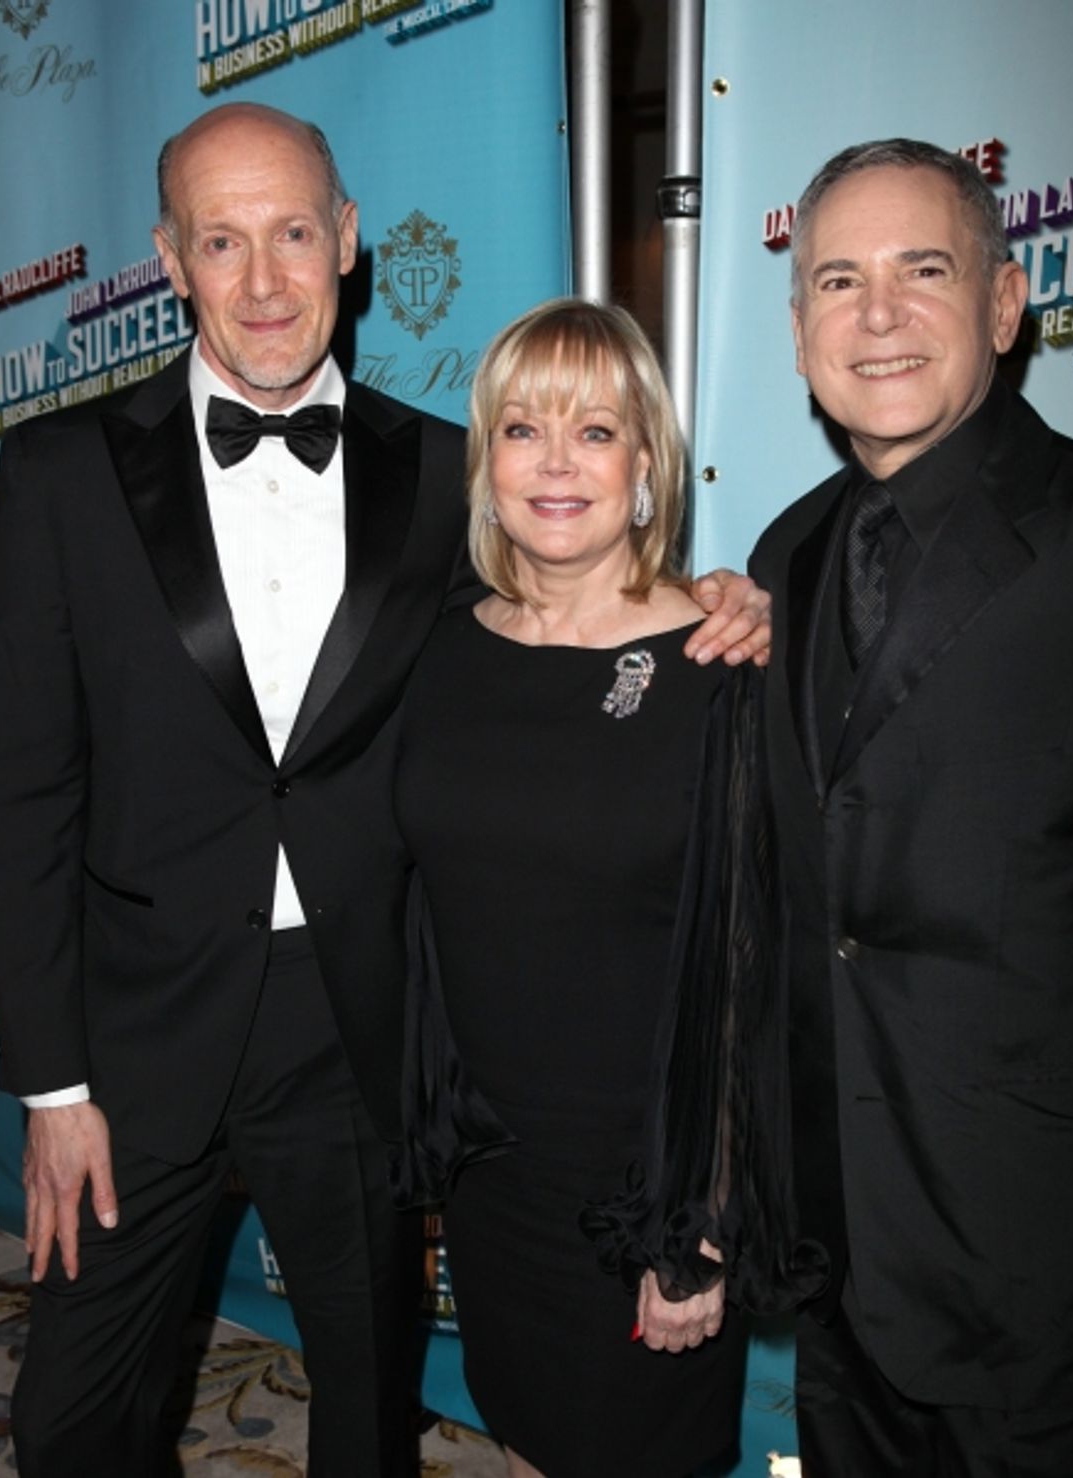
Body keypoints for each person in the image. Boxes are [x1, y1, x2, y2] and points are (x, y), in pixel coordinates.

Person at [0, 104, 769, 1478]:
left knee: (362, 1403)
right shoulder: (57, 471)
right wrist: (50, 1083)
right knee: (69, 1417)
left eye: (294, 233)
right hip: (136, 1033)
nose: (266, 280)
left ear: (348, 242)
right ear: (170, 260)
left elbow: (565, 622)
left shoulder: (447, 473)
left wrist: (715, 595)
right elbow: (20, 792)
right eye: (223, 241)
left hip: (359, 1034)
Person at [749, 137, 1073, 1475]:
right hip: (842, 1255)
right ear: (800, 319)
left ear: (1003, 301)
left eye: (923, 271)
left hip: (1043, 1269)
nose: (875, 316)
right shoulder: (786, 553)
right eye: (837, 279)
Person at [391, 298, 824, 1478]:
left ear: (647, 464)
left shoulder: (718, 661)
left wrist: (704, 1219)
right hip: (494, 1173)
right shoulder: (439, 645)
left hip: (648, 1179)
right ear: (487, 465)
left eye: (596, 430)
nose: (557, 462)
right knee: (530, 1434)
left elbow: (752, 966)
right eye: (525, 428)